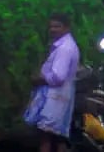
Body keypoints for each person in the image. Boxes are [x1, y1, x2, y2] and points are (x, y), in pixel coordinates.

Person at [23, 14, 80, 152]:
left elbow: (58, 77)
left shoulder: (64, 48)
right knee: (57, 138)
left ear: (66, 28)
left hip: (55, 99)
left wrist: (39, 79)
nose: (53, 29)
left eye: (57, 26)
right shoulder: (63, 44)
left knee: (46, 138)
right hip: (58, 98)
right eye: (51, 26)